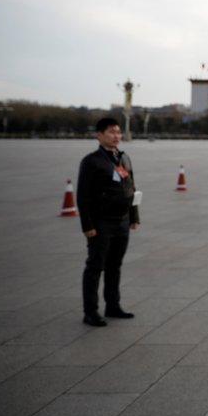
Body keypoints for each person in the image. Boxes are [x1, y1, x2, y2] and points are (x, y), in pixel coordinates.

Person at [77, 117, 140, 327]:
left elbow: (131, 188)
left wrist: (134, 217)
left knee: (115, 266)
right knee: (95, 266)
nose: (116, 136)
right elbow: (83, 196)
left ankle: (113, 305)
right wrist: (88, 225)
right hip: (101, 223)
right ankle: (90, 311)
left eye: (118, 132)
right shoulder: (91, 161)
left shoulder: (123, 158)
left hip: (122, 222)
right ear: (99, 135)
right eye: (112, 132)